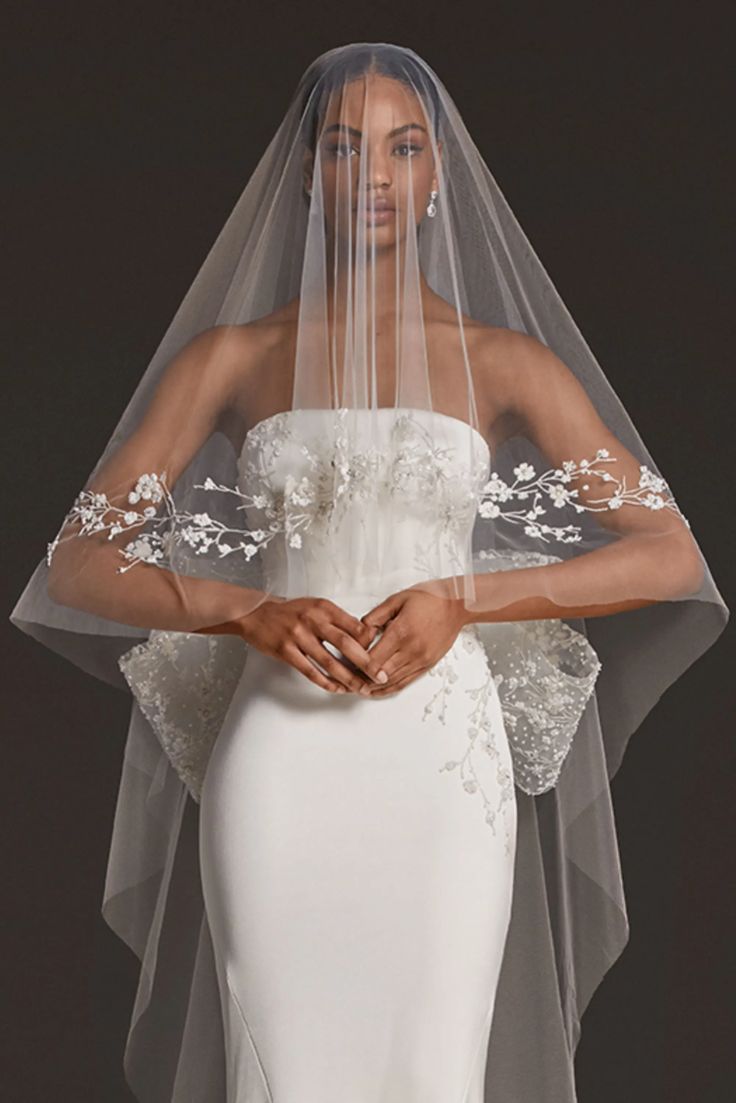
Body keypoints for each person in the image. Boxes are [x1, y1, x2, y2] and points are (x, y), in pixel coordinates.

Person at [11, 42, 729, 1102]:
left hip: (439, 767)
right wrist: (244, 608)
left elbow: (669, 553)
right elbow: (75, 562)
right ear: (308, 171)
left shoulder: (503, 361)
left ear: (440, 173)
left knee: (431, 1061)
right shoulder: (233, 357)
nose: (377, 175)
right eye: (345, 149)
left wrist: (465, 601)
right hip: (280, 759)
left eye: (403, 147)